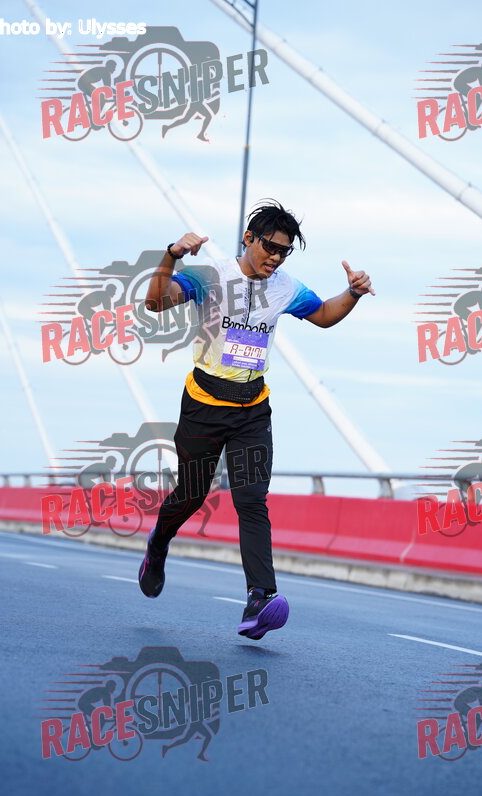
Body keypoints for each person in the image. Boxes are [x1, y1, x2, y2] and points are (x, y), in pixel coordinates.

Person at [138, 200, 375, 639]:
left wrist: (354, 294)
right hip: (204, 406)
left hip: (252, 409)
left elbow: (324, 315)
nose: (276, 257)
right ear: (249, 239)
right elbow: (155, 303)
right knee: (191, 496)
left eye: (284, 251)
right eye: (270, 247)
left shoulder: (285, 288)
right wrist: (171, 256)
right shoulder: (210, 276)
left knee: (251, 499)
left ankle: (260, 598)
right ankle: (159, 543)